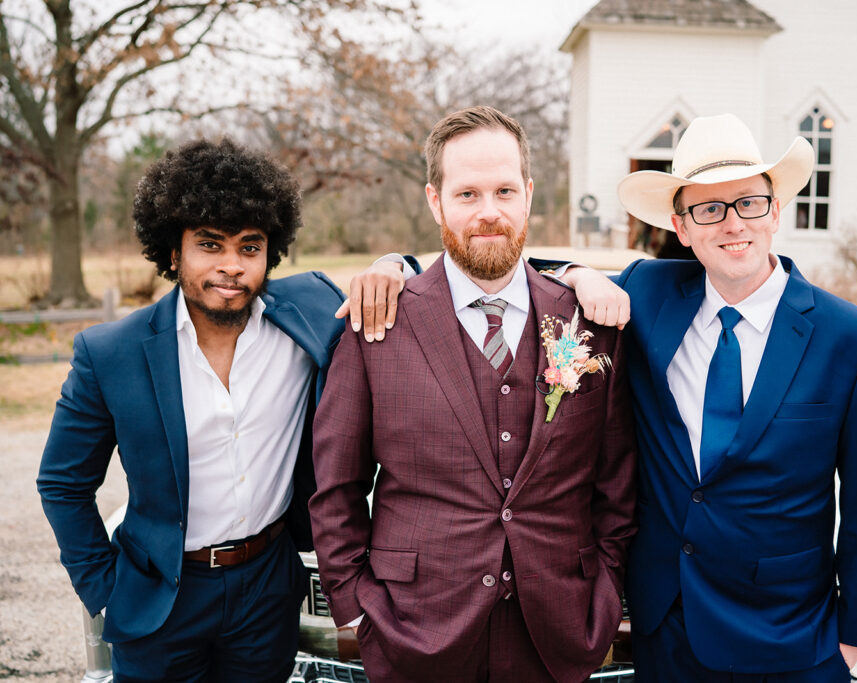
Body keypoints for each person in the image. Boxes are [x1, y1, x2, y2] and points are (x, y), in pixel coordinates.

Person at [35, 139, 405, 681]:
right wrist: (103, 589)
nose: (231, 266)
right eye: (210, 245)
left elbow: (432, 278)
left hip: (267, 587)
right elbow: (62, 483)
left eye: (249, 247)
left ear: (270, 253)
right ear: (173, 252)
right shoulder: (110, 354)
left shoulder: (313, 313)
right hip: (160, 597)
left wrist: (391, 263)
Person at [560, 113, 857, 681]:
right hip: (669, 626)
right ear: (682, 227)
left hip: (792, 634)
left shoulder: (852, 338)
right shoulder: (648, 290)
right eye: (709, 209)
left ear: (775, 212)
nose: (732, 224)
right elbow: (525, 280)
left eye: (748, 203)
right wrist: (579, 273)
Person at [308, 105, 637, 683]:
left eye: (504, 191)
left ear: (528, 195)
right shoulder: (378, 321)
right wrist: (355, 610)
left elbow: (617, 481)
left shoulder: (588, 321)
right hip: (413, 631)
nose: (489, 213)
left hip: (558, 632)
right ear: (435, 201)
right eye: (467, 195)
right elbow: (336, 485)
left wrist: (605, 590)